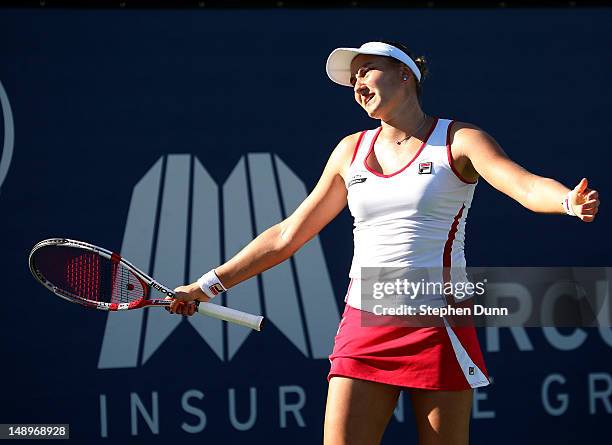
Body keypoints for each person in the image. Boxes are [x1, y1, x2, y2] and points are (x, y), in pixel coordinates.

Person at [167, 41, 600, 445]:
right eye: (352, 80)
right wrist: (206, 285)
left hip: (437, 322)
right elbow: (286, 235)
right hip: (365, 320)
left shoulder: (458, 140)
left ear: (405, 75)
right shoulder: (349, 150)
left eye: (366, 71)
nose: (356, 84)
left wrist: (565, 200)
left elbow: (522, 185)